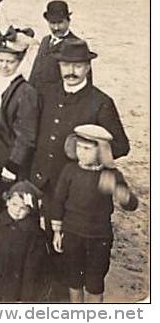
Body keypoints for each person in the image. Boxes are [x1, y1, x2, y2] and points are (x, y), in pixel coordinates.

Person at [30, 39, 130, 229]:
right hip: (40, 182)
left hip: (74, 190)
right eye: (66, 65)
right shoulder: (45, 93)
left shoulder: (100, 102)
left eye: (77, 66)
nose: (71, 71)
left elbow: (121, 145)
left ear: (87, 68)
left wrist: (90, 154)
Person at [50, 125, 139, 303]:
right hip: (72, 233)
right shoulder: (70, 171)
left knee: (95, 282)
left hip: (99, 236)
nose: (81, 153)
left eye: (87, 149)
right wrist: (57, 232)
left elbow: (132, 205)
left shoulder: (111, 175)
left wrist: (120, 192)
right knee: (74, 280)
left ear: (101, 151)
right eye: (79, 147)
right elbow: (58, 201)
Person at [0, 27, 39, 223]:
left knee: (1, 201)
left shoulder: (24, 91)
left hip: (7, 154)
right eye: (1, 60)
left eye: (10, 62)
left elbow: (27, 134)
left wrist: (12, 164)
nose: (4, 66)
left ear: (19, 62)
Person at [0, 181, 54, 302]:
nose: (17, 210)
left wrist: (27, 296)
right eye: (14, 205)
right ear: (7, 202)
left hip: (17, 275)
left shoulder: (33, 231)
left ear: (30, 210)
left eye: (23, 208)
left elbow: (32, 267)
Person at [28, 0, 80, 88]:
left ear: (68, 21)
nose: (56, 27)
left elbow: (81, 82)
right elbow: (35, 72)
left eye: (60, 22)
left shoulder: (76, 45)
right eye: (52, 23)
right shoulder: (45, 41)